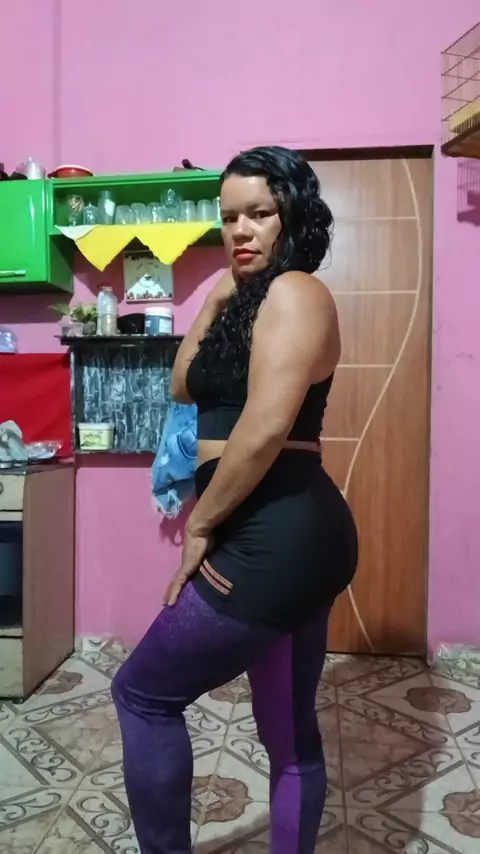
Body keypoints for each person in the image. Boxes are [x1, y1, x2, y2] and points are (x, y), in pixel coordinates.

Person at [112, 146, 358, 854]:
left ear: (293, 216)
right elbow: (182, 384)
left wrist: (202, 525)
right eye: (228, 218)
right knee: (287, 731)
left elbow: (265, 427)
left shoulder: (297, 293)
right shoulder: (248, 298)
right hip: (285, 535)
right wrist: (220, 292)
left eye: (259, 213)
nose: (240, 230)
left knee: (142, 694)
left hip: (275, 531)